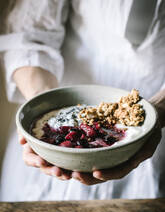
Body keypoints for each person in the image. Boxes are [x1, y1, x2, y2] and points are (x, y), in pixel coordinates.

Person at [0, 0, 165, 201]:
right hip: (58, 99)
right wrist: (43, 103)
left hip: (149, 130)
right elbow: (28, 33)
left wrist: (156, 110)